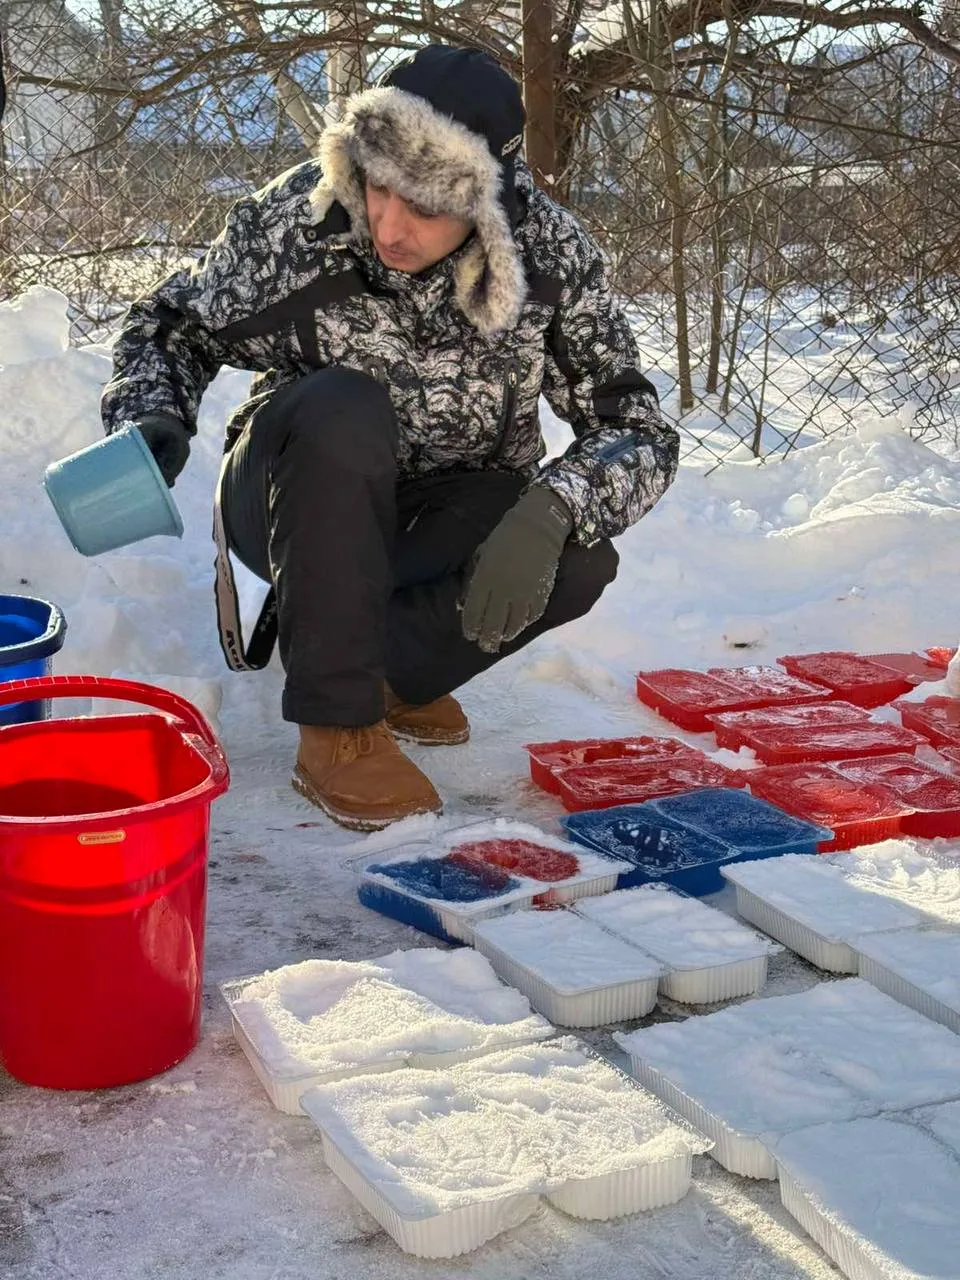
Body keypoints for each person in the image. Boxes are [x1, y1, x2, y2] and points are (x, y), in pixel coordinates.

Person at [101, 44, 680, 831]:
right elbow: (171, 324)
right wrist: (153, 416)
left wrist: (554, 509)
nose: (389, 225)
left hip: (436, 508)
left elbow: (636, 427)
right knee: (344, 406)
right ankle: (336, 727)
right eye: (378, 187)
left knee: (578, 557)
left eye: (426, 208)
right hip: (293, 493)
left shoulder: (550, 257)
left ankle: (385, 676)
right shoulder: (300, 223)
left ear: (487, 205)